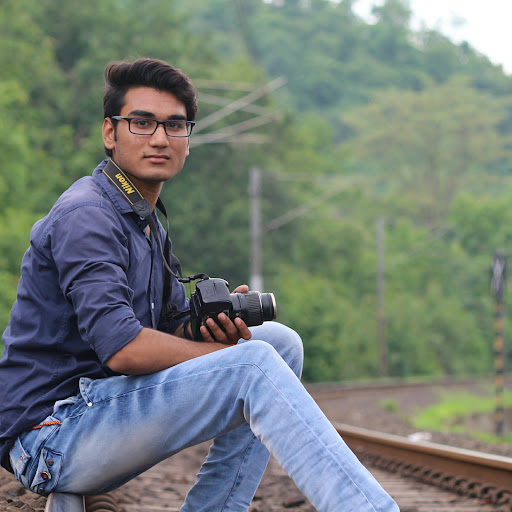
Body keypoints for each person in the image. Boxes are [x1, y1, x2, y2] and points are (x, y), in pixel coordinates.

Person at [0, 58, 398, 512]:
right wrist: (227, 359)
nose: (159, 138)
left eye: (175, 126)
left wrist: (209, 329)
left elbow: (169, 327)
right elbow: (122, 349)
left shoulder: (146, 222)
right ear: (110, 132)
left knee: (279, 343)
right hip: (49, 435)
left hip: (97, 413)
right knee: (255, 363)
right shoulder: (87, 215)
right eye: (141, 123)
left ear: (188, 140)